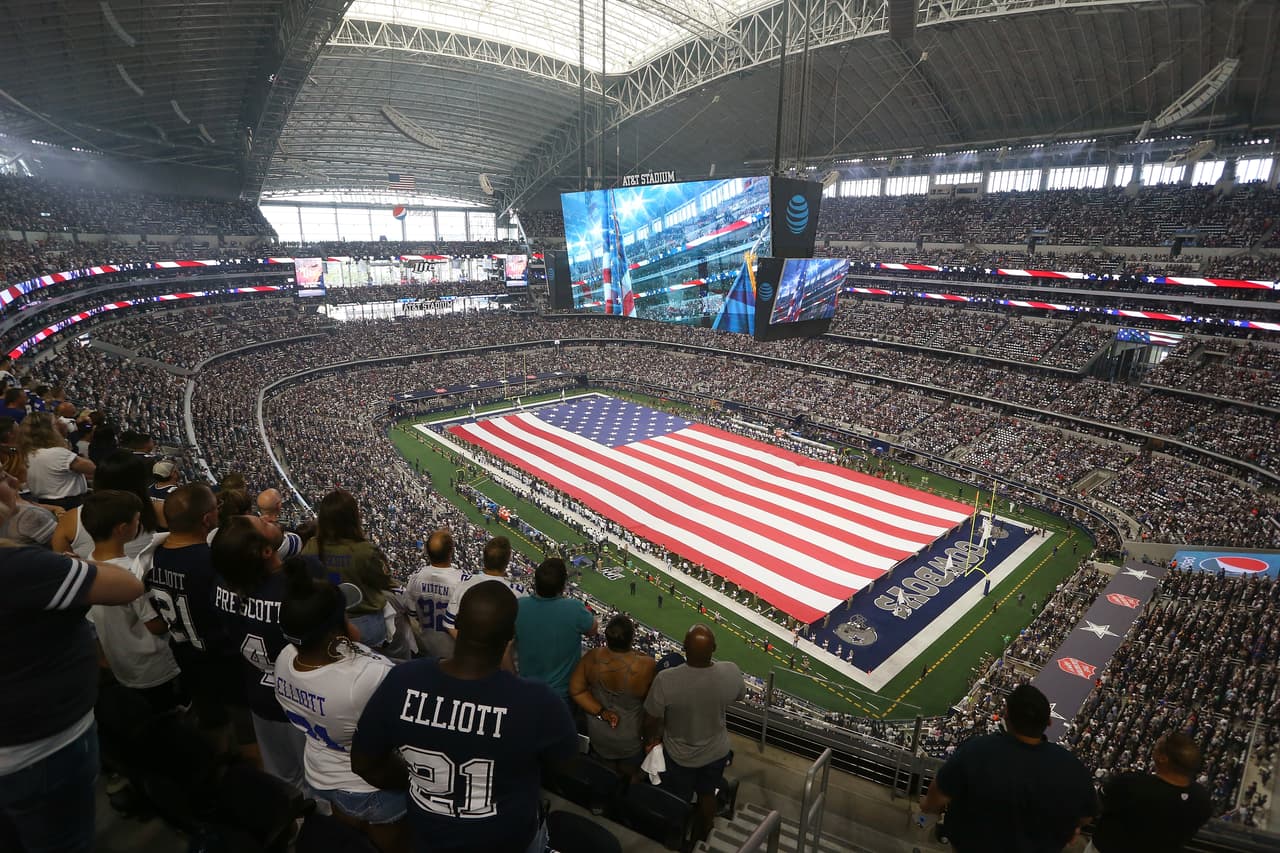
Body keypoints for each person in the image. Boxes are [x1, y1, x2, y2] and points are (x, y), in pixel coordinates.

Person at [351, 581, 578, 853]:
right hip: (507, 839)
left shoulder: (403, 679)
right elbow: (565, 766)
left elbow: (364, 762)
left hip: (429, 832)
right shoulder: (538, 702)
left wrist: (415, 780)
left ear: (457, 623)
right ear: (510, 636)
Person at [0, 470, 146, 853]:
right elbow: (128, 585)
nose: (14, 483)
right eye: (2, 477)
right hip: (41, 750)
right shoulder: (21, 569)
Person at [274, 557, 407, 852]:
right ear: (336, 633)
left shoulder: (285, 658)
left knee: (349, 839)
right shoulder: (367, 677)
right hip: (371, 785)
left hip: (323, 770)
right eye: (346, 616)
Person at [212, 514, 323, 792]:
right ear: (265, 551)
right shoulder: (303, 578)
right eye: (264, 524)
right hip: (304, 701)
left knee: (282, 778)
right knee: (318, 782)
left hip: (261, 696)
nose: (269, 520)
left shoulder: (221, 587)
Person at [920, 684, 1097, 853]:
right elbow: (1086, 815)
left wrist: (927, 808)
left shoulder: (976, 750)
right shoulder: (1071, 767)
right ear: (1049, 722)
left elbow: (938, 795)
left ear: (1006, 716)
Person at [141, 483, 245, 738]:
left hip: (185, 655)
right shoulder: (213, 561)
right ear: (207, 518)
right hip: (224, 659)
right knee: (243, 729)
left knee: (210, 723)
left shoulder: (149, 559)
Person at [82, 489, 186, 714]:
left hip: (121, 663)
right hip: (153, 666)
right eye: (137, 521)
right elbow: (155, 625)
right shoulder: (130, 573)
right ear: (122, 529)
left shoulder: (87, 565)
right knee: (166, 715)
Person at [644, 624, 745, 844]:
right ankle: (702, 836)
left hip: (679, 753)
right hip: (715, 751)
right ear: (714, 648)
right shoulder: (730, 672)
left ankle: (676, 833)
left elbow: (651, 717)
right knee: (707, 794)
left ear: (684, 648)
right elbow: (739, 695)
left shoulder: (666, 679)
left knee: (678, 796)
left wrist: (651, 739)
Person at [1088, 732, 1213, 853]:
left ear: (1163, 758)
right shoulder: (1201, 800)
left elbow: (1096, 804)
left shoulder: (1131, 783)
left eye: (1157, 746)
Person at [302, 489, 394, 648]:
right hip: (365, 623)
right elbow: (384, 580)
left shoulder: (310, 546)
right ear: (353, 518)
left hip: (326, 623)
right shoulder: (365, 551)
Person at [569, 614, 656, 778]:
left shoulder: (593, 657)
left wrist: (602, 712)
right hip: (630, 738)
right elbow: (653, 708)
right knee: (627, 779)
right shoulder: (646, 665)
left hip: (599, 734)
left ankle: (600, 802)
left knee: (602, 776)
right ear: (632, 639)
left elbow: (576, 691)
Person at [52, 449, 164, 560]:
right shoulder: (158, 510)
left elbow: (63, 566)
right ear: (141, 482)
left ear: (98, 479)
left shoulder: (71, 519)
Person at [514, 557, 596, 702]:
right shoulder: (574, 608)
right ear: (563, 586)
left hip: (526, 690)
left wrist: (515, 678)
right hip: (562, 694)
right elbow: (592, 630)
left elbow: (505, 648)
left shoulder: (518, 606)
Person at [443, 535, 528, 639]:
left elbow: (450, 624)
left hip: (469, 652)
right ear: (507, 560)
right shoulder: (520, 593)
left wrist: (470, 647)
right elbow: (524, 632)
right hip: (501, 652)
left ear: (484, 557)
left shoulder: (464, 585)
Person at [404, 529, 462, 659]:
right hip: (455, 653)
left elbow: (412, 614)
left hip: (426, 648)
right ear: (451, 551)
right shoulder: (463, 582)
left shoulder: (415, 579)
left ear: (427, 552)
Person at [20, 411, 93, 509]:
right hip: (67, 503)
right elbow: (91, 468)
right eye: (55, 424)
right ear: (48, 430)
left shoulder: (26, 454)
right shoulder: (57, 453)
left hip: (42, 503)